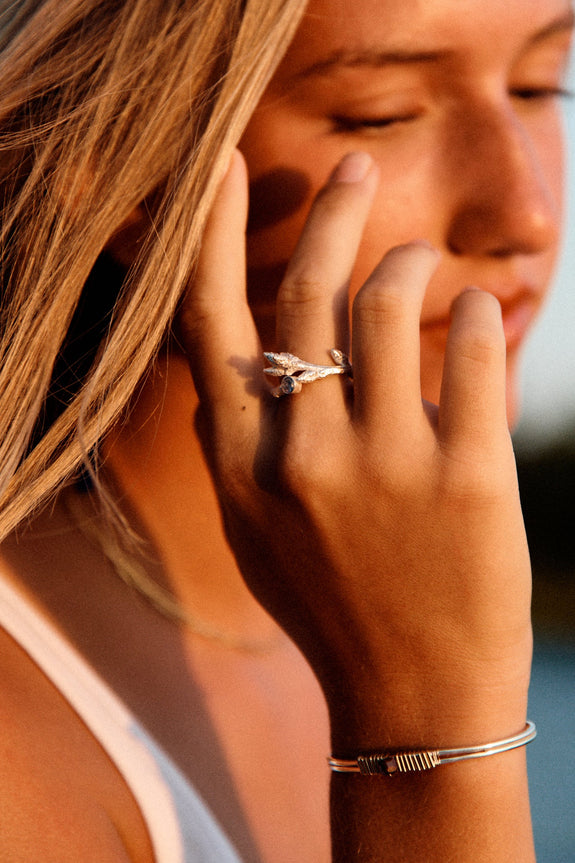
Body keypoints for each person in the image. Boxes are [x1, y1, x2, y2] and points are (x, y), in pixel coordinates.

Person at [0, 0, 572, 859]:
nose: (522, 212)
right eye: (383, 113)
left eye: (538, 85)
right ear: (118, 171)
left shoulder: (387, 612)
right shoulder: (22, 758)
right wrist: (429, 730)